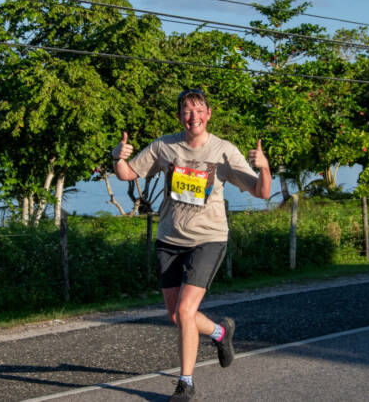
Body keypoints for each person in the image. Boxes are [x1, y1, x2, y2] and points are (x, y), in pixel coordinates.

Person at [111, 88, 271, 402]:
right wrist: (118, 157)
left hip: (208, 238)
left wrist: (264, 167)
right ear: (179, 116)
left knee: (186, 310)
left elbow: (260, 192)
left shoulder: (224, 151)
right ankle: (219, 332)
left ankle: (186, 384)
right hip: (169, 238)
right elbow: (128, 174)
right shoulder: (164, 146)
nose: (193, 117)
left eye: (199, 110)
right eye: (187, 111)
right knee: (176, 315)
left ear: (208, 114)